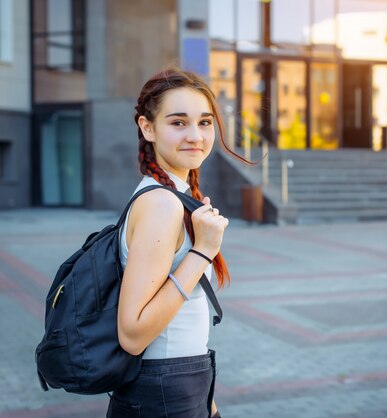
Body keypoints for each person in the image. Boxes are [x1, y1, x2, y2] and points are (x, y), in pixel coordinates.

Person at [108, 67, 249, 418]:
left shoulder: (175, 195)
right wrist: (202, 251)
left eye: (204, 122)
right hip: (162, 393)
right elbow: (133, 333)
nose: (195, 136)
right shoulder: (160, 204)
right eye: (178, 123)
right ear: (147, 127)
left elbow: (183, 328)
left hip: (182, 385)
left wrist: (208, 404)